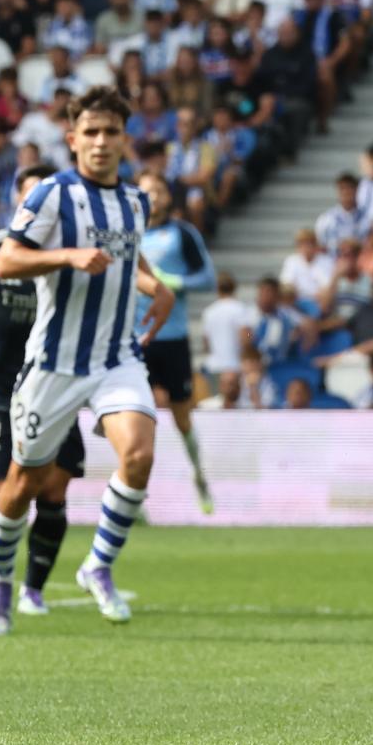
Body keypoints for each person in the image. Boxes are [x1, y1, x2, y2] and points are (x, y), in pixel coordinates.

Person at [0, 86, 174, 626]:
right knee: (23, 485)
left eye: (111, 132)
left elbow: (121, 260)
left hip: (116, 357)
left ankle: (97, 565)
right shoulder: (50, 194)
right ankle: (0, 579)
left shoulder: (136, 202)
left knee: (138, 455)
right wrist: (67, 256)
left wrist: (155, 287)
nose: (100, 141)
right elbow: (6, 262)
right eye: (90, 132)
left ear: (125, 140)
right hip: (54, 363)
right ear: (72, 140)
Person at [0, 164, 86, 636]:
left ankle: (33, 590)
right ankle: (0, 583)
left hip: (59, 389)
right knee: (3, 493)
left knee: (55, 489)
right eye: (30, 198)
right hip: (1, 390)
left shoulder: (74, 257)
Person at [135, 170, 216, 513]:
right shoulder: (127, 232)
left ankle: (199, 475)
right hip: (134, 340)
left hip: (173, 338)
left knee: (182, 418)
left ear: (168, 196)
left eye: (158, 190)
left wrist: (173, 281)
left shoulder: (182, 234)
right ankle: (134, 497)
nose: (153, 197)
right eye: (146, 191)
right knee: (136, 417)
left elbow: (208, 278)